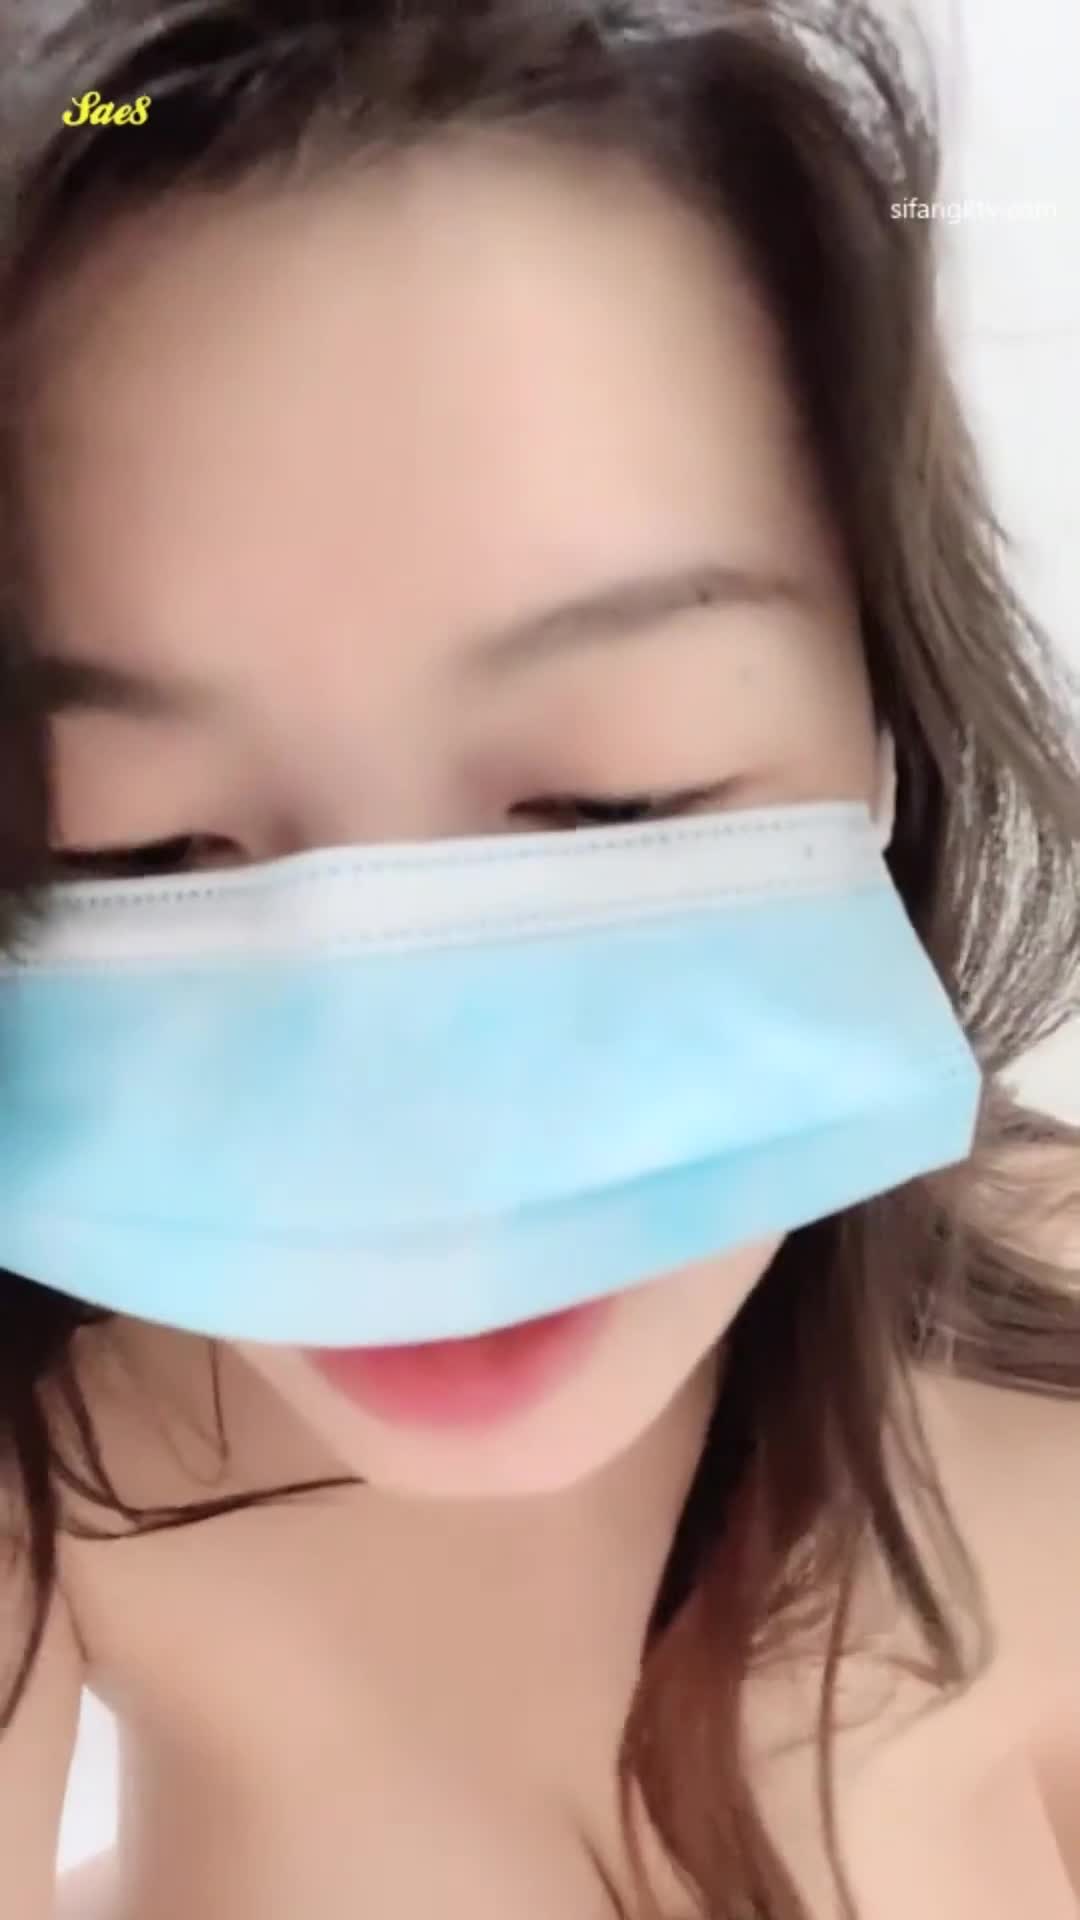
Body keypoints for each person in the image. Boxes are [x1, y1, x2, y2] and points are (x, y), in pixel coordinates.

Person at [0, 1, 1078, 1916]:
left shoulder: (1050, 1359)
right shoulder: (63, 1424)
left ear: (887, 723)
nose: (407, 1139)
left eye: (609, 802)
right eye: (141, 847)